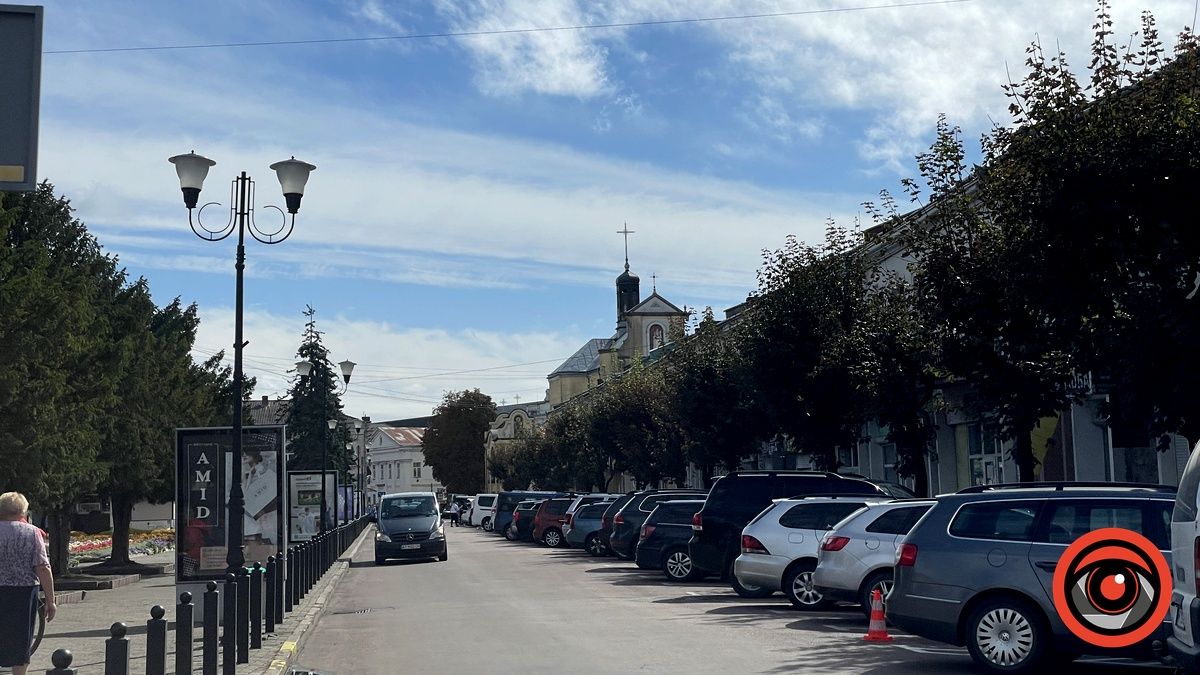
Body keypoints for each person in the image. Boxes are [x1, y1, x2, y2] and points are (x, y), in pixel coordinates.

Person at [0, 492, 56, 675]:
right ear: (23, 511)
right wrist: (50, 600)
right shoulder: (31, 532)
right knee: (21, 641)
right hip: (23, 594)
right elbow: (42, 567)